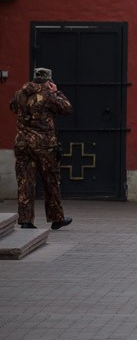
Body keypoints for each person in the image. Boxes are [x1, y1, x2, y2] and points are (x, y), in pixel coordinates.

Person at [10, 66, 73, 230]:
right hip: (44, 146)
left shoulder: (19, 94)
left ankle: (26, 221)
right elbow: (67, 108)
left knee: (25, 182)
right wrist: (56, 92)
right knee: (50, 181)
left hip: (22, 144)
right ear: (48, 81)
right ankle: (56, 218)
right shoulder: (48, 95)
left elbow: (13, 107)